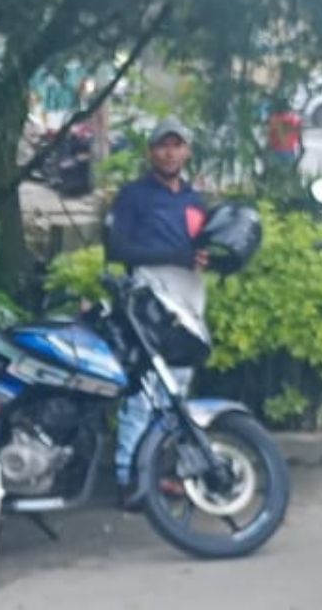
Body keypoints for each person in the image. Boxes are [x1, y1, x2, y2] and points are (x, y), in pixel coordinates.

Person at [105, 117, 208, 507]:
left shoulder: (195, 201)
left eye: (177, 145)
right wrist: (173, 256)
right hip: (148, 304)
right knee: (144, 394)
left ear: (187, 151)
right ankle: (129, 478)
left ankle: (164, 473)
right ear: (151, 151)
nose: (170, 152)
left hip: (190, 304)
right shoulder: (133, 196)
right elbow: (118, 249)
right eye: (163, 145)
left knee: (177, 394)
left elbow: (207, 248)